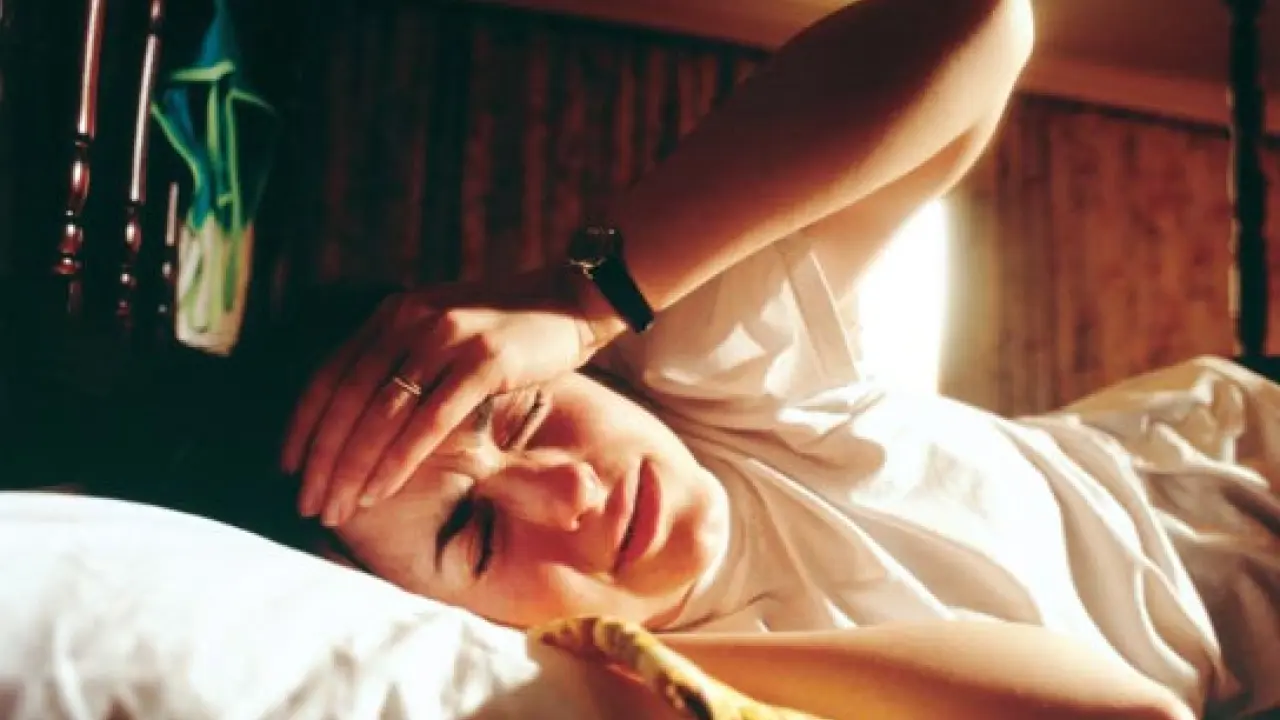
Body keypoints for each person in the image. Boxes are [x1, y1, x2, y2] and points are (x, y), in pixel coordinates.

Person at [54, 0, 1263, 717]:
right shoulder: (688, 682)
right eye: (473, 536)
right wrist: (610, 655)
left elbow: (982, 22)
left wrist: (576, 300)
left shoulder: (711, 384)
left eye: (524, 420)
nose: (570, 494)